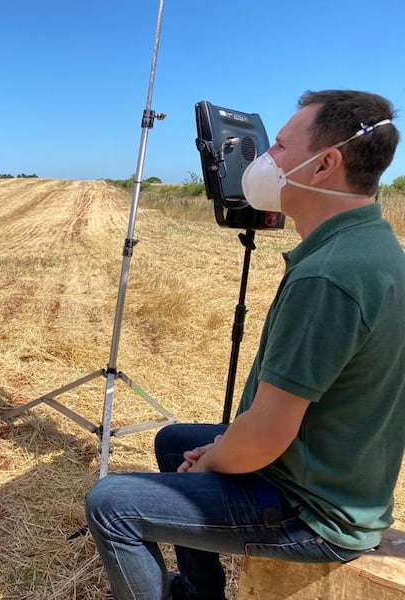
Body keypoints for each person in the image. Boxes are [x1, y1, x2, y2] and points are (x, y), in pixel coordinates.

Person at [85, 90, 404, 600]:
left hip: (311, 510)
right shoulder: (371, 245)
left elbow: (265, 437)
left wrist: (210, 461)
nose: (263, 159)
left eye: (278, 145)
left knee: (110, 503)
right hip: (331, 472)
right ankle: (198, 591)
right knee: (173, 441)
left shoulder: (330, 276)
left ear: (325, 164)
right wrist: (214, 450)